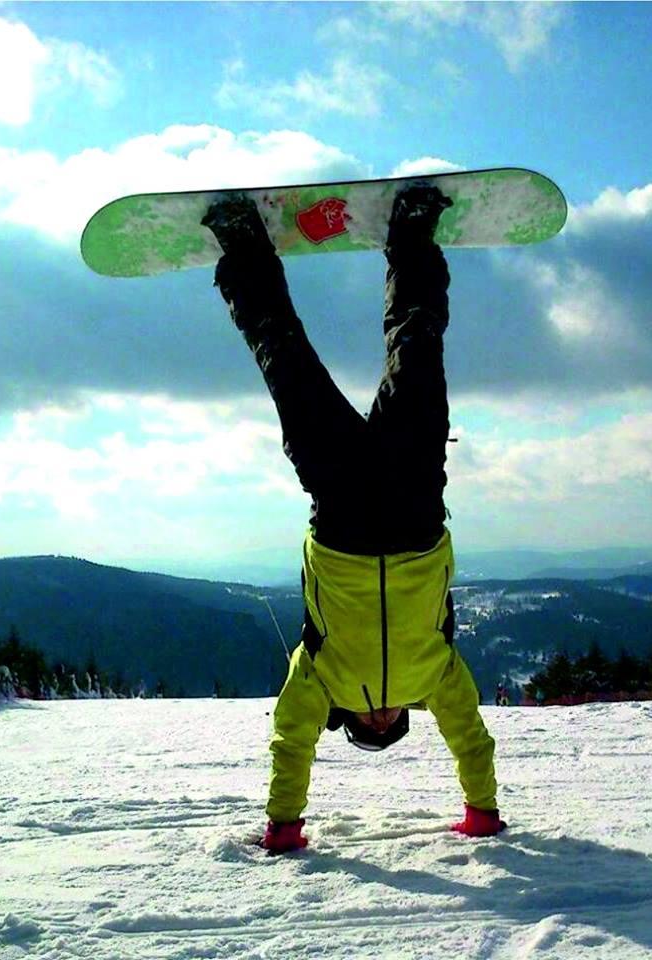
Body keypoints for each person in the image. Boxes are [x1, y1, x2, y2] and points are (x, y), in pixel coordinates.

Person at [203, 183, 506, 854]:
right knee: (417, 348)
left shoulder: (321, 679)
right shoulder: (435, 676)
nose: (380, 716)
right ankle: (412, 233)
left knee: (285, 360)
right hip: (414, 512)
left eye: (369, 727)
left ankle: (241, 241)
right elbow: (470, 737)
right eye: (388, 725)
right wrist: (482, 809)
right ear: (404, 718)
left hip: (341, 515)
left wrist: (284, 824)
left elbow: (291, 742)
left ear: (350, 719)